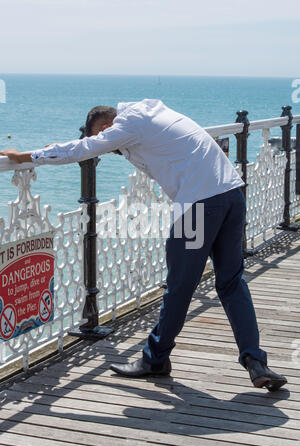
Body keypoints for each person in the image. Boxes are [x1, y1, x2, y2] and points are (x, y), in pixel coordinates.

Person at [0, 99, 287, 391]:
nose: (108, 148)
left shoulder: (128, 124)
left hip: (200, 206)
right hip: (232, 194)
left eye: (103, 138)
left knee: (179, 286)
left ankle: (155, 360)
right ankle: (255, 362)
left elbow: (82, 149)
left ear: (105, 127)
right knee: (231, 281)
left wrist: (25, 156)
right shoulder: (154, 113)